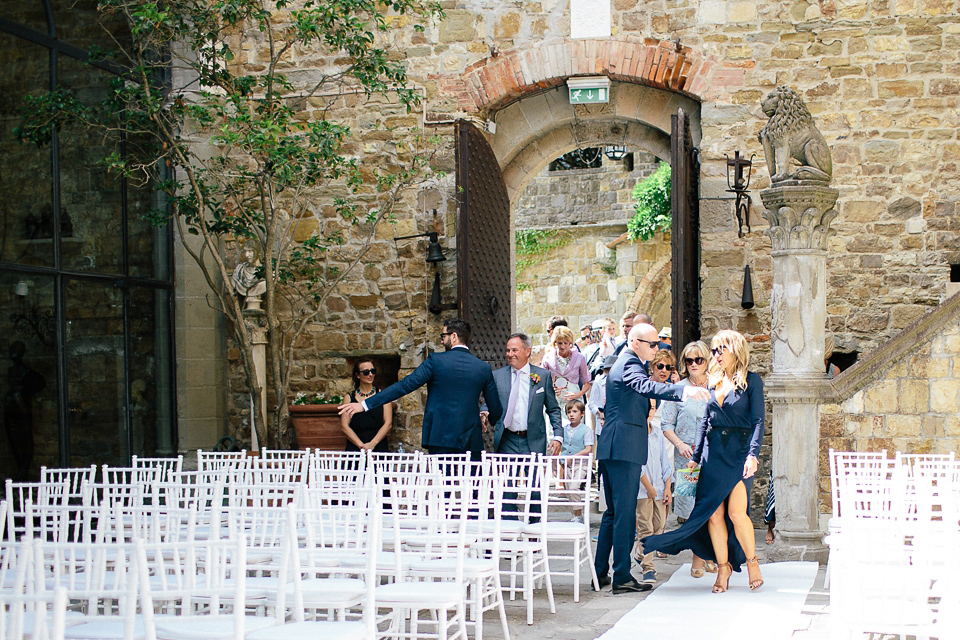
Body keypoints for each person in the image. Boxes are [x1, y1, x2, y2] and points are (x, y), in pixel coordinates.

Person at [642, 329, 766, 593]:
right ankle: (723, 568)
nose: (716, 355)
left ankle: (752, 562)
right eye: (715, 350)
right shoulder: (713, 382)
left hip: (739, 453)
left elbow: (758, 421)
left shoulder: (752, 382)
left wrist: (753, 455)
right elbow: (706, 422)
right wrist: (695, 458)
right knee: (713, 515)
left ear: (736, 350)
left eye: (721, 349)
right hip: (712, 454)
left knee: (735, 513)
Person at [593, 323, 710, 594]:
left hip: (615, 447)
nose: (658, 349)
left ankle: (600, 574)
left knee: (613, 514)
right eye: (653, 344)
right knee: (623, 515)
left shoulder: (627, 362)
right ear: (636, 342)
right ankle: (621, 576)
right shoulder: (629, 364)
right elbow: (644, 385)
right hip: (623, 449)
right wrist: (683, 391)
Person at [338, 318, 502, 458]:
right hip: (470, 437)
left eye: (443, 336)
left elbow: (404, 386)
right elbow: (496, 408)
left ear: (454, 336)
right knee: (474, 486)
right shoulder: (482, 367)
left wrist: (364, 404)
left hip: (440, 435)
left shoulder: (435, 361)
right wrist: (488, 417)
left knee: (442, 486)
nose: (441, 340)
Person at [659, 340, 715, 577]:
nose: (693, 364)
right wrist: (680, 445)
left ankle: (707, 555)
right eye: (689, 360)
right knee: (692, 510)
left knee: (712, 508)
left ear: (707, 362)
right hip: (687, 459)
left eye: (698, 360)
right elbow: (666, 424)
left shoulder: (716, 387)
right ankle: (698, 557)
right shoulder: (678, 390)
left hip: (713, 457)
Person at [483, 333, 563, 456]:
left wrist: (558, 436)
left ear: (527, 351)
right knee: (506, 476)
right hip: (506, 440)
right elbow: (489, 401)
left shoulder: (543, 376)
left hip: (534, 439)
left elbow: (553, 409)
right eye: (508, 350)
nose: (509, 354)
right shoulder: (497, 376)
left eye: (514, 350)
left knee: (534, 475)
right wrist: (484, 412)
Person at [340, 358, 392, 452]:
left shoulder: (383, 395)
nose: (370, 374)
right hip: (356, 445)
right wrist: (361, 446)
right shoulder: (349, 397)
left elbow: (388, 423)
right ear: (357, 375)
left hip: (378, 444)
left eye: (373, 371)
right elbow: (345, 426)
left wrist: (372, 444)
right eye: (365, 372)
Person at [559, 399, 594, 523]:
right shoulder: (564, 429)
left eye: (575, 411)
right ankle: (575, 515)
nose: (571, 415)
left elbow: (588, 448)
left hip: (581, 464)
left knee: (574, 487)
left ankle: (578, 515)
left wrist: (573, 456)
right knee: (569, 490)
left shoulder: (586, 430)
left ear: (582, 413)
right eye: (569, 412)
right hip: (566, 464)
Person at [542, 326, 592, 409]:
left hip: (574, 403)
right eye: (559, 343)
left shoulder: (580, 358)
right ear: (555, 343)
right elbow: (542, 381)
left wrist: (578, 394)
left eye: (566, 343)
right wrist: (550, 390)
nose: (563, 346)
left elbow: (587, 383)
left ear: (570, 343)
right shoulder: (547, 358)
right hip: (554, 401)